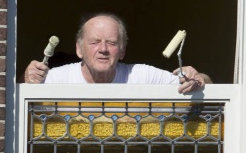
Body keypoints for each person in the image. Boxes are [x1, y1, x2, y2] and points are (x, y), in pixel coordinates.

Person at [20, 13, 212, 94]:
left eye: (111, 43)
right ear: (79, 49)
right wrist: (25, 78)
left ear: (122, 51)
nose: (103, 49)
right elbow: (15, 99)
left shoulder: (140, 74)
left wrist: (197, 79)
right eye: (94, 42)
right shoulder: (57, 77)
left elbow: (205, 85)